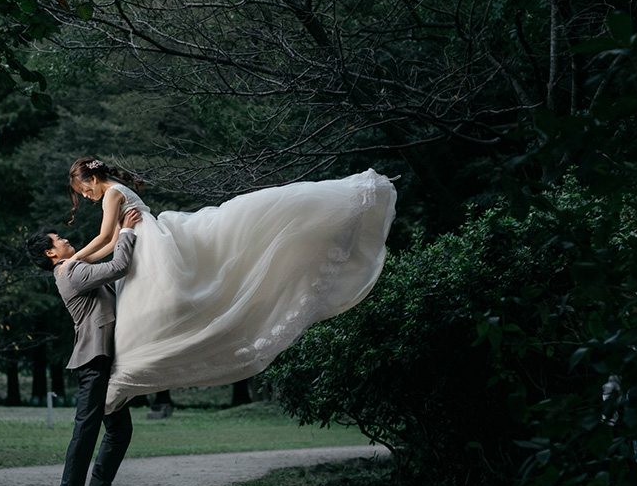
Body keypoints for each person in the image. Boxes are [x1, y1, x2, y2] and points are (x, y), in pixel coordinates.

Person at [66, 157, 398, 413]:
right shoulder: (116, 192)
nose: (89, 197)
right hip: (143, 246)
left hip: (150, 249)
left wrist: (74, 261)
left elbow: (106, 237)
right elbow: (112, 241)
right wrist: (86, 260)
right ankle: (125, 382)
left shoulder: (111, 194)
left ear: (93, 179)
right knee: (144, 321)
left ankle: (123, 382)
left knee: (152, 317)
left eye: (86, 191)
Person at [25, 207, 143, 486]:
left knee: (119, 429)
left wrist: (121, 227)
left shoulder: (75, 266)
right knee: (85, 432)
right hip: (93, 361)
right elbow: (118, 265)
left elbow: (105, 249)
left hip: (104, 358)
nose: (66, 239)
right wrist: (129, 232)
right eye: (59, 239)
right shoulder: (70, 272)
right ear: (51, 252)